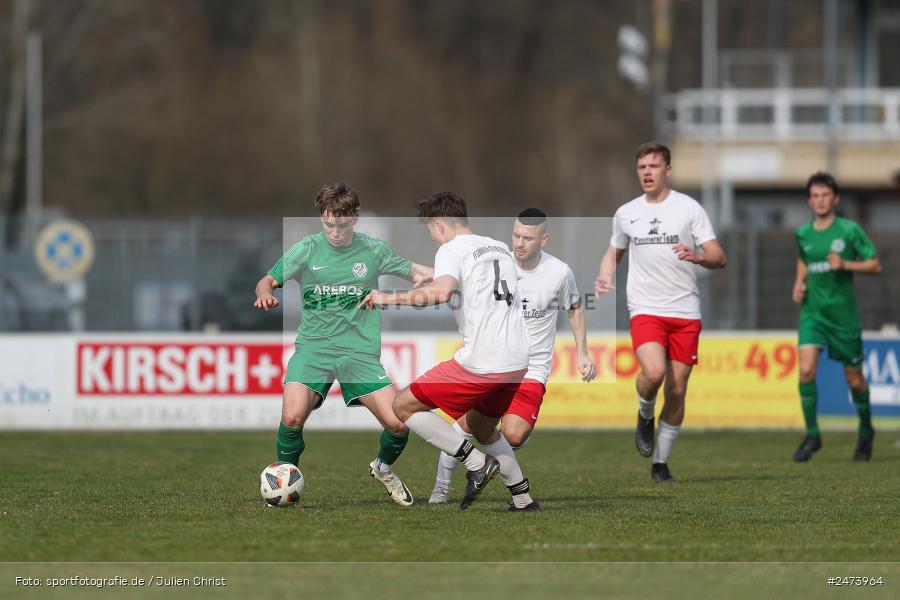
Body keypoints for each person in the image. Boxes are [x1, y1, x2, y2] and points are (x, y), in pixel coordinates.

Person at [254, 182, 433, 506]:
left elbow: (419, 273)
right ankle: (285, 481)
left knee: (398, 425)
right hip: (314, 349)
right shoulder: (307, 249)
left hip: (358, 353)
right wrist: (265, 294)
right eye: (328, 224)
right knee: (292, 418)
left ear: (354, 218)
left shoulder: (374, 251)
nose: (335, 232)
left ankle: (383, 468)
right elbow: (266, 281)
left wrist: (456, 274)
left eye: (342, 225)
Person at [359, 192, 539, 511]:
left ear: (440, 224)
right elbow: (477, 284)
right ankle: (523, 499)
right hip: (517, 360)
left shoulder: (450, 249)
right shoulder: (498, 247)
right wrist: (434, 279)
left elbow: (442, 293)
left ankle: (476, 464)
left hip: (483, 360)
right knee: (483, 427)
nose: (433, 237)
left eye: (431, 231)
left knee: (402, 406)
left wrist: (388, 298)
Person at [427, 208, 596, 504]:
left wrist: (582, 352)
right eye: (516, 235)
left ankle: (495, 462)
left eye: (527, 238)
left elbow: (575, 307)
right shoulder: (499, 260)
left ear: (543, 239)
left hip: (531, 370)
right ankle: (440, 491)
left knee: (514, 434)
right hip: (495, 363)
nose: (519, 243)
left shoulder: (559, 272)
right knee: (466, 426)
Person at [594, 142, 726, 483]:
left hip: (685, 310)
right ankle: (644, 412)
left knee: (677, 389)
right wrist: (606, 274)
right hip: (646, 308)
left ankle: (660, 463)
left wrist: (698, 257)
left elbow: (718, 256)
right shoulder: (626, 213)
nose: (647, 173)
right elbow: (612, 253)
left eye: (653, 166)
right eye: (642, 167)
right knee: (654, 373)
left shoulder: (689, 208)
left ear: (668, 170)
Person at [791, 172, 881, 462]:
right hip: (813, 313)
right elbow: (804, 259)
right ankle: (812, 435)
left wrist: (845, 264)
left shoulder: (849, 230)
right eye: (815, 196)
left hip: (843, 318)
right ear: (809, 201)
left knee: (855, 381)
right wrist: (799, 282)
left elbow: (874, 264)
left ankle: (866, 430)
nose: (820, 200)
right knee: (806, 370)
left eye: (825, 195)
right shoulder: (803, 233)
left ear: (835, 198)